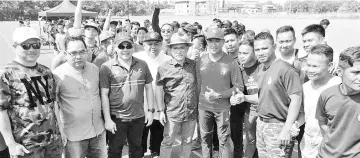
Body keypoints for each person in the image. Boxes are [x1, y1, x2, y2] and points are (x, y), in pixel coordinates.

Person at [0, 27, 62, 158]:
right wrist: (11, 144)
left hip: (53, 142)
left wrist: (61, 131)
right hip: (27, 145)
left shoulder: (46, 72)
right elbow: (1, 112)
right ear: (15, 46)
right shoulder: (6, 74)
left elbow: (54, 105)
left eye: (36, 45)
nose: (32, 49)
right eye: (26, 45)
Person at [100, 33, 155, 158]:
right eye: (121, 46)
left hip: (139, 117)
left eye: (128, 46)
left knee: (137, 149)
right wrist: (108, 119)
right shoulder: (106, 67)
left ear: (133, 47)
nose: (125, 49)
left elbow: (149, 88)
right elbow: (104, 94)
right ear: (115, 47)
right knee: (114, 150)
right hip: (117, 118)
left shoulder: (142, 64)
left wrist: (151, 111)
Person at [53, 36, 106, 158]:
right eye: (73, 53)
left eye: (82, 51)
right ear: (66, 54)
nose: (78, 56)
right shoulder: (57, 75)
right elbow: (55, 105)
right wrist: (60, 130)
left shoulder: (94, 69)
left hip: (98, 131)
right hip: (74, 136)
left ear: (87, 51)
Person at [197, 27, 244, 158]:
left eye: (217, 41)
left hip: (223, 108)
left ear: (223, 42)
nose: (213, 44)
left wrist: (218, 95)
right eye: (210, 41)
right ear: (206, 42)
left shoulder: (231, 62)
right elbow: (197, 85)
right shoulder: (201, 61)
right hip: (203, 108)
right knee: (205, 138)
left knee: (224, 139)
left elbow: (239, 86)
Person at [253, 32, 302, 157]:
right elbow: (264, 97)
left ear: (274, 47)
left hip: (278, 126)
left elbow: (296, 99)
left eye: (264, 48)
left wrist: (286, 129)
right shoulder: (261, 70)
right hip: (261, 124)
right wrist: (243, 98)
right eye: (257, 49)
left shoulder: (285, 69)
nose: (260, 52)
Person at [156, 33, 198, 158]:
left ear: (187, 49)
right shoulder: (163, 68)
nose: (179, 51)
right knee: (168, 141)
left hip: (191, 112)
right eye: (175, 48)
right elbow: (158, 90)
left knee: (187, 141)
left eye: (182, 48)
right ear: (169, 50)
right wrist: (160, 110)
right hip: (172, 113)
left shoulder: (194, 65)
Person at [316, 46, 360, 158]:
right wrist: (336, 141)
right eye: (356, 72)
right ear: (340, 72)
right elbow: (322, 122)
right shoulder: (327, 95)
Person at [298, 44, 342, 158]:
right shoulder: (305, 87)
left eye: (315, 66)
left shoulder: (340, 86)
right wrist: (295, 125)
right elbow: (304, 114)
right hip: (308, 144)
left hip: (332, 145)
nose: (310, 70)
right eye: (308, 65)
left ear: (329, 66)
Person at [133, 32, 171, 158]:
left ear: (162, 44)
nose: (153, 47)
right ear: (143, 44)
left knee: (158, 131)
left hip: (160, 103)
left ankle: (155, 152)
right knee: (141, 133)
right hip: (141, 103)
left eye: (156, 44)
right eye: (149, 44)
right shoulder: (136, 58)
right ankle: (142, 153)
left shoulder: (168, 59)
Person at [231, 39, 262, 158]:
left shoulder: (262, 68)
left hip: (264, 111)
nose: (241, 56)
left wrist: (244, 97)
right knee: (250, 140)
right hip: (248, 111)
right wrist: (233, 98)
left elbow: (265, 96)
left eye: (245, 53)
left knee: (263, 142)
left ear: (254, 53)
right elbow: (234, 90)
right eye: (240, 53)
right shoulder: (237, 69)